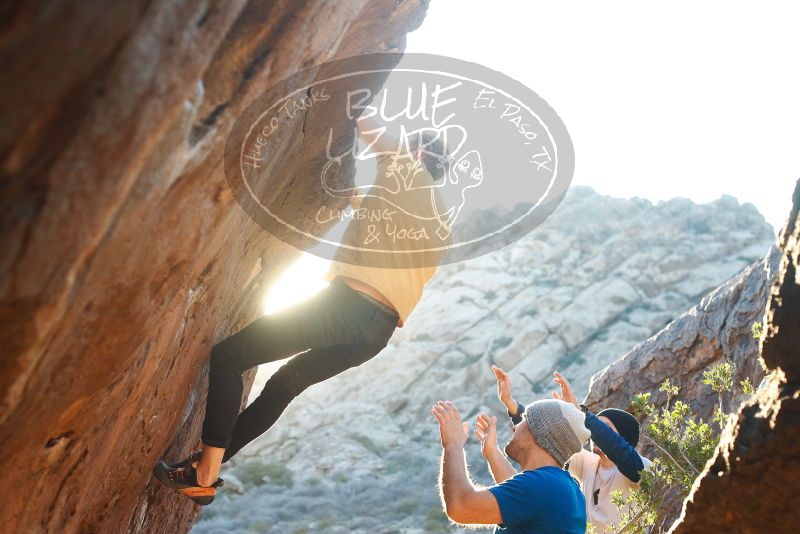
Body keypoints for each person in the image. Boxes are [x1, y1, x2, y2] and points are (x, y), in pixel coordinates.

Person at [153, 120, 453, 505]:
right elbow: (382, 224)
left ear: (419, 154)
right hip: (376, 334)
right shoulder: (441, 222)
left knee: (229, 356)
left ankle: (205, 473)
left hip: (346, 307)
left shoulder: (406, 166)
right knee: (283, 387)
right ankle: (205, 470)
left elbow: (367, 125)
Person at [492, 366, 652, 533]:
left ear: (621, 438)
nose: (593, 434)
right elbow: (545, 439)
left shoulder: (640, 468)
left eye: (605, 428)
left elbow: (618, 450)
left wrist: (579, 412)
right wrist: (511, 404)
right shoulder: (589, 463)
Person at [432, 398, 590, 533]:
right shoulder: (565, 486)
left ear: (537, 432)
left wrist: (453, 444)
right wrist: (492, 452)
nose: (515, 426)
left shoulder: (543, 485)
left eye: (524, 420)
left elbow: (461, 506)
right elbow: (520, 497)